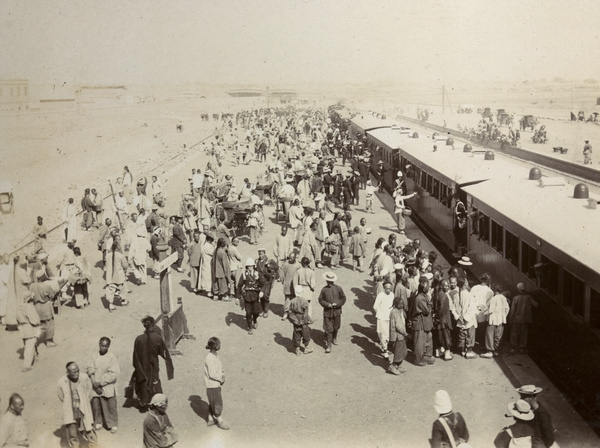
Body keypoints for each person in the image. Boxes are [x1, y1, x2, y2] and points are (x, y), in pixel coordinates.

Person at [132, 316, 174, 409]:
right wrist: (170, 370)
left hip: (142, 367)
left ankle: (144, 402)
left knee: (143, 383)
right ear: (153, 325)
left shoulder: (138, 339)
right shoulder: (158, 338)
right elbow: (164, 354)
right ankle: (157, 402)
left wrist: (137, 368)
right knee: (155, 381)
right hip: (154, 366)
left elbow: (135, 357)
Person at [57, 362, 98, 448]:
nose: (76, 373)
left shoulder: (84, 378)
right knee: (73, 433)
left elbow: (89, 391)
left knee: (89, 430)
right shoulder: (62, 382)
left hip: (83, 408)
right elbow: (61, 396)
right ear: (67, 372)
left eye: (77, 371)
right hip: (71, 410)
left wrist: (83, 402)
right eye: (73, 372)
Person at [87, 337, 120, 433]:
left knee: (110, 405)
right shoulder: (94, 356)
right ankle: (98, 421)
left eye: (106, 346)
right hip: (95, 385)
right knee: (96, 404)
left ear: (108, 346)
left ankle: (113, 424)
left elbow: (113, 374)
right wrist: (94, 383)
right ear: (99, 344)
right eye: (102, 345)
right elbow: (90, 368)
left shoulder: (111, 357)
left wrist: (101, 383)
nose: (103, 348)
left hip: (106, 385)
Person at [204, 337, 230, 430]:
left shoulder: (215, 355)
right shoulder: (209, 358)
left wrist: (223, 374)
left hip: (216, 384)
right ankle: (220, 420)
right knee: (217, 402)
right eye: (219, 344)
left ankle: (210, 419)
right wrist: (220, 379)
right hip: (213, 384)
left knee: (213, 401)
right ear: (215, 346)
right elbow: (212, 374)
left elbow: (219, 366)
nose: (220, 345)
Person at [318, 271, 347, 353]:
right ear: (326, 281)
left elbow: (343, 298)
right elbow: (320, 300)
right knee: (328, 329)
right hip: (327, 312)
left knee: (336, 327)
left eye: (331, 281)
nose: (329, 283)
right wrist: (327, 305)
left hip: (337, 312)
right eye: (328, 281)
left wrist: (337, 304)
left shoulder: (338, 288)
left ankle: (334, 337)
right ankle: (329, 345)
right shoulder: (324, 289)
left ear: (333, 281)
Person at [509, 283, 538, 354]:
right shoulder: (528, 297)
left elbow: (512, 310)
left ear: (518, 290)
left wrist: (510, 319)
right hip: (525, 319)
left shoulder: (515, 298)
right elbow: (536, 305)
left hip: (516, 319)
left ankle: (513, 347)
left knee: (514, 333)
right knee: (523, 334)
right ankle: (522, 348)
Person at [411, 276, 435, 366]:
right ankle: (418, 359)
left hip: (425, 323)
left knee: (428, 338)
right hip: (420, 323)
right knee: (420, 343)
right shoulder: (420, 298)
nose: (429, 288)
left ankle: (427, 356)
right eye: (427, 286)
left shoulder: (423, 296)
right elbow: (427, 310)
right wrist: (430, 304)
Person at [481, 284, 510, 358]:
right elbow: (507, 308)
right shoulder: (504, 298)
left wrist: (484, 312)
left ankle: (489, 351)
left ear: (494, 290)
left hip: (493, 320)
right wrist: (504, 316)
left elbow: (491, 310)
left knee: (489, 335)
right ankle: (497, 351)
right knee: (498, 336)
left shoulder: (494, 298)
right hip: (501, 320)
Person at [453, 277, 478, 359]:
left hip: (460, 320)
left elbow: (454, 308)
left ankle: (463, 351)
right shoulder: (469, 295)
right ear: (465, 284)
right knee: (470, 336)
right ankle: (469, 352)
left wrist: (458, 317)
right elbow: (472, 308)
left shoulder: (456, 295)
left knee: (462, 336)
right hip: (469, 321)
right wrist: (466, 318)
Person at [238, 258, 262, 335]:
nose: (250, 268)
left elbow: (263, 283)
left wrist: (262, 291)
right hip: (247, 296)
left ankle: (254, 320)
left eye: (251, 266)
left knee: (256, 312)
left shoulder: (257, 274)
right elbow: (239, 285)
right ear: (246, 267)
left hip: (255, 295)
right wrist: (237, 297)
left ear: (254, 266)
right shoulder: (244, 275)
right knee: (248, 313)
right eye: (248, 266)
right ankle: (250, 327)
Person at [104, 241, 129, 312]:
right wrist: (124, 270)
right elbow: (125, 265)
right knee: (123, 288)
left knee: (110, 289)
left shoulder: (107, 255)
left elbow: (106, 265)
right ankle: (123, 301)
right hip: (119, 275)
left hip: (110, 276)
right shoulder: (120, 255)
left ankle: (111, 304)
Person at [288, 285, 313, 355]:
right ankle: (306, 348)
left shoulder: (292, 301)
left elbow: (290, 312)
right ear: (301, 292)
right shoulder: (304, 301)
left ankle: (297, 349)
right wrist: (303, 320)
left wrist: (295, 320)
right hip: (303, 320)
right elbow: (305, 313)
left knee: (297, 334)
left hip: (296, 319)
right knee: (305, 334)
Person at [373, 281, 395, 359]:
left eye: (390, 288)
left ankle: (385, 348)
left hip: (389, 317)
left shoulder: (392, 295)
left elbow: (393, 305)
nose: (388, 290)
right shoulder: (380, 295)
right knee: (382, 334)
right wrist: (381, 313)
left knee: (388, 334)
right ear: (384, 288)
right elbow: (375, 306)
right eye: (387, 288)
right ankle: (385, 351)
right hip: (382, 317)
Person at [280, 252, 301, 320]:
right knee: (287, 300)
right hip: (287, 285)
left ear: (295, 258)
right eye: (289, 258)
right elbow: (282, 274)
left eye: (292, 258)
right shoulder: (285, 264)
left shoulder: (298, 265)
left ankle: (294, 313)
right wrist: (284, 282)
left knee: (296, 300)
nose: (290, 260)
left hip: (295, 286)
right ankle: (286, 313)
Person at [198, 233, 215, 298]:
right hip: (207, 263)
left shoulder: (206, 245)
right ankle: (208, 291)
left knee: (208, 276)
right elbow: (212, 252)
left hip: (206, 262)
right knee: (208, 277)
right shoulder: (207, 246)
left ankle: (209, 290)